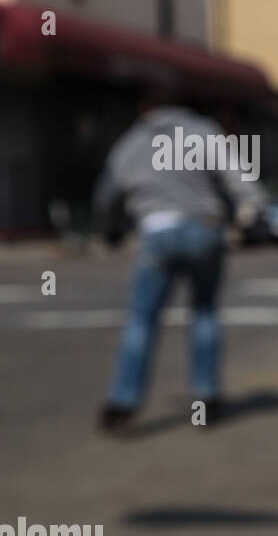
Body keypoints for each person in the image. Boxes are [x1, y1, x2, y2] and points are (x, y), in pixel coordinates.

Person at [93, 98, 265, 432]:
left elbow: (107, 191)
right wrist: (253, 208)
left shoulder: (133, 141)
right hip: (205, 227)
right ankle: (206, 396)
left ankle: (122, 404)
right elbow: (238, 176)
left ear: (146, 109)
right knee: (203, 311)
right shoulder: (203, 132)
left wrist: (109, 228)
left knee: (142, 319)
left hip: (156, 231)